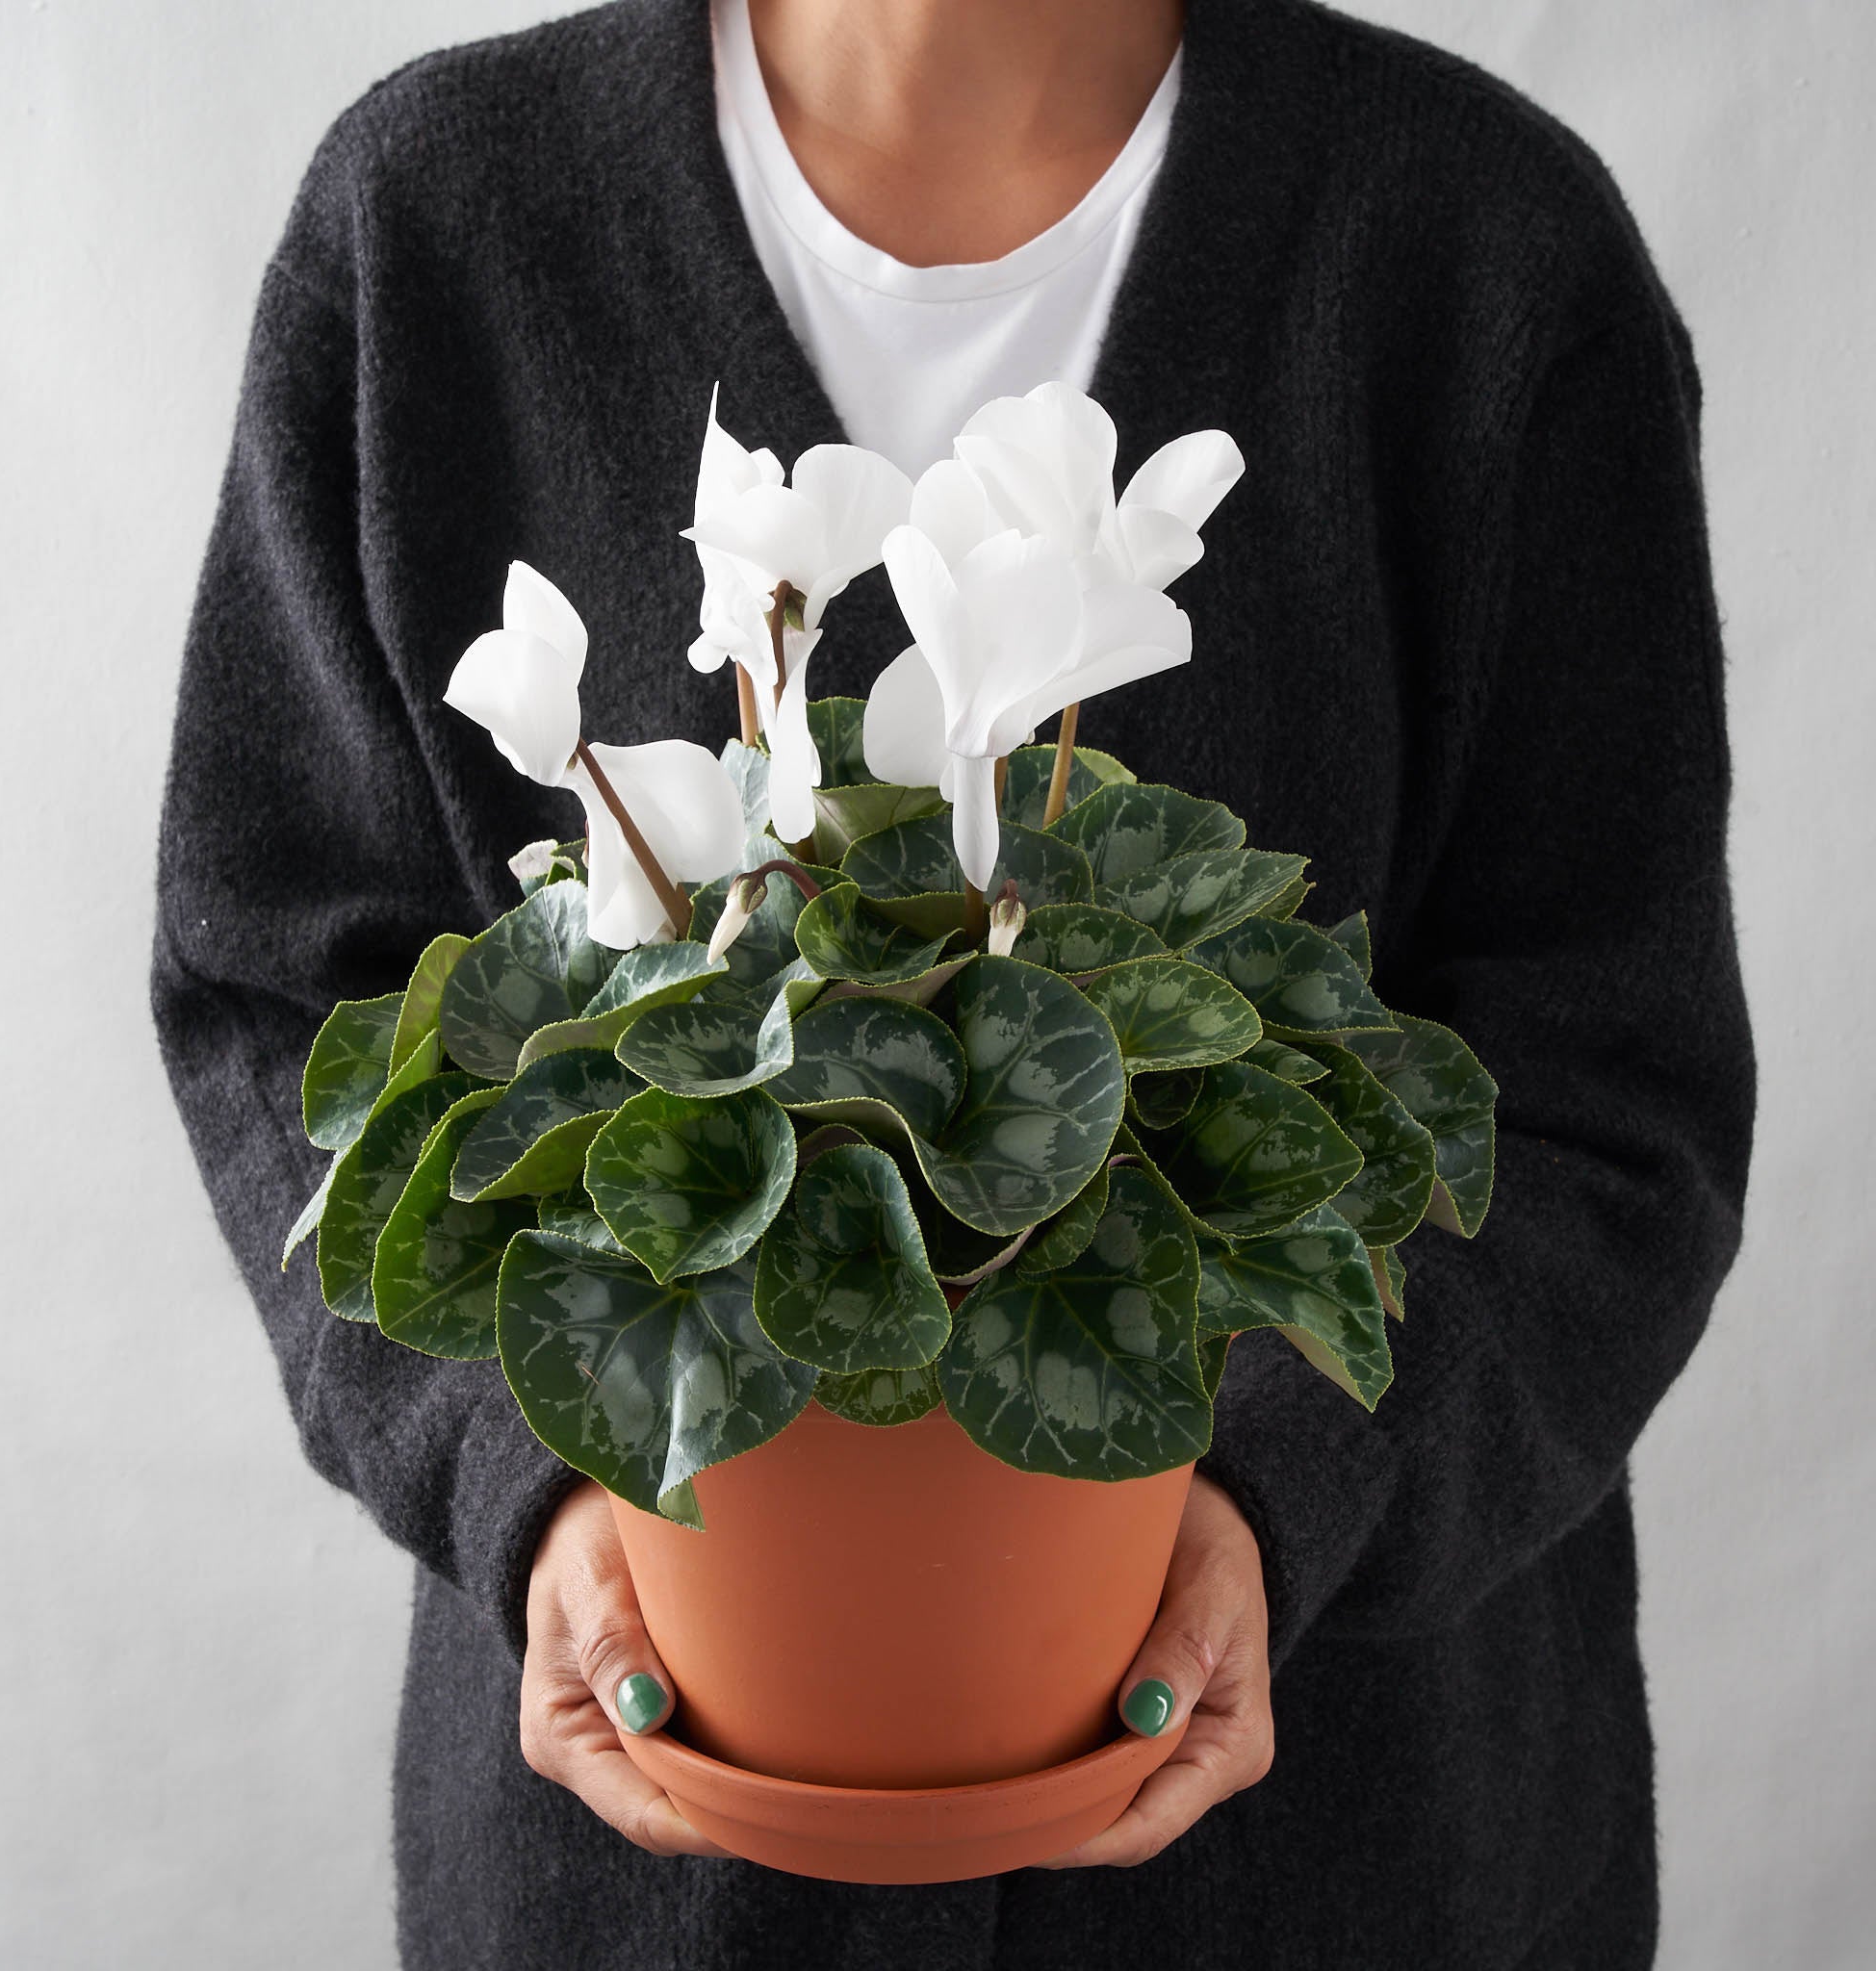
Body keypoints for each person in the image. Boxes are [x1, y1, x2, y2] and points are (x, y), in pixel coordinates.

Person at [150, 0, 1755, 1963]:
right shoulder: (434, 226)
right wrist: (533, 1484)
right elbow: (283, 1001)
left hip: (1354, 1855)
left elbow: (1607, 1103)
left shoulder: (1481, 252)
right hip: (664, 1879)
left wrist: (1286, 1489)